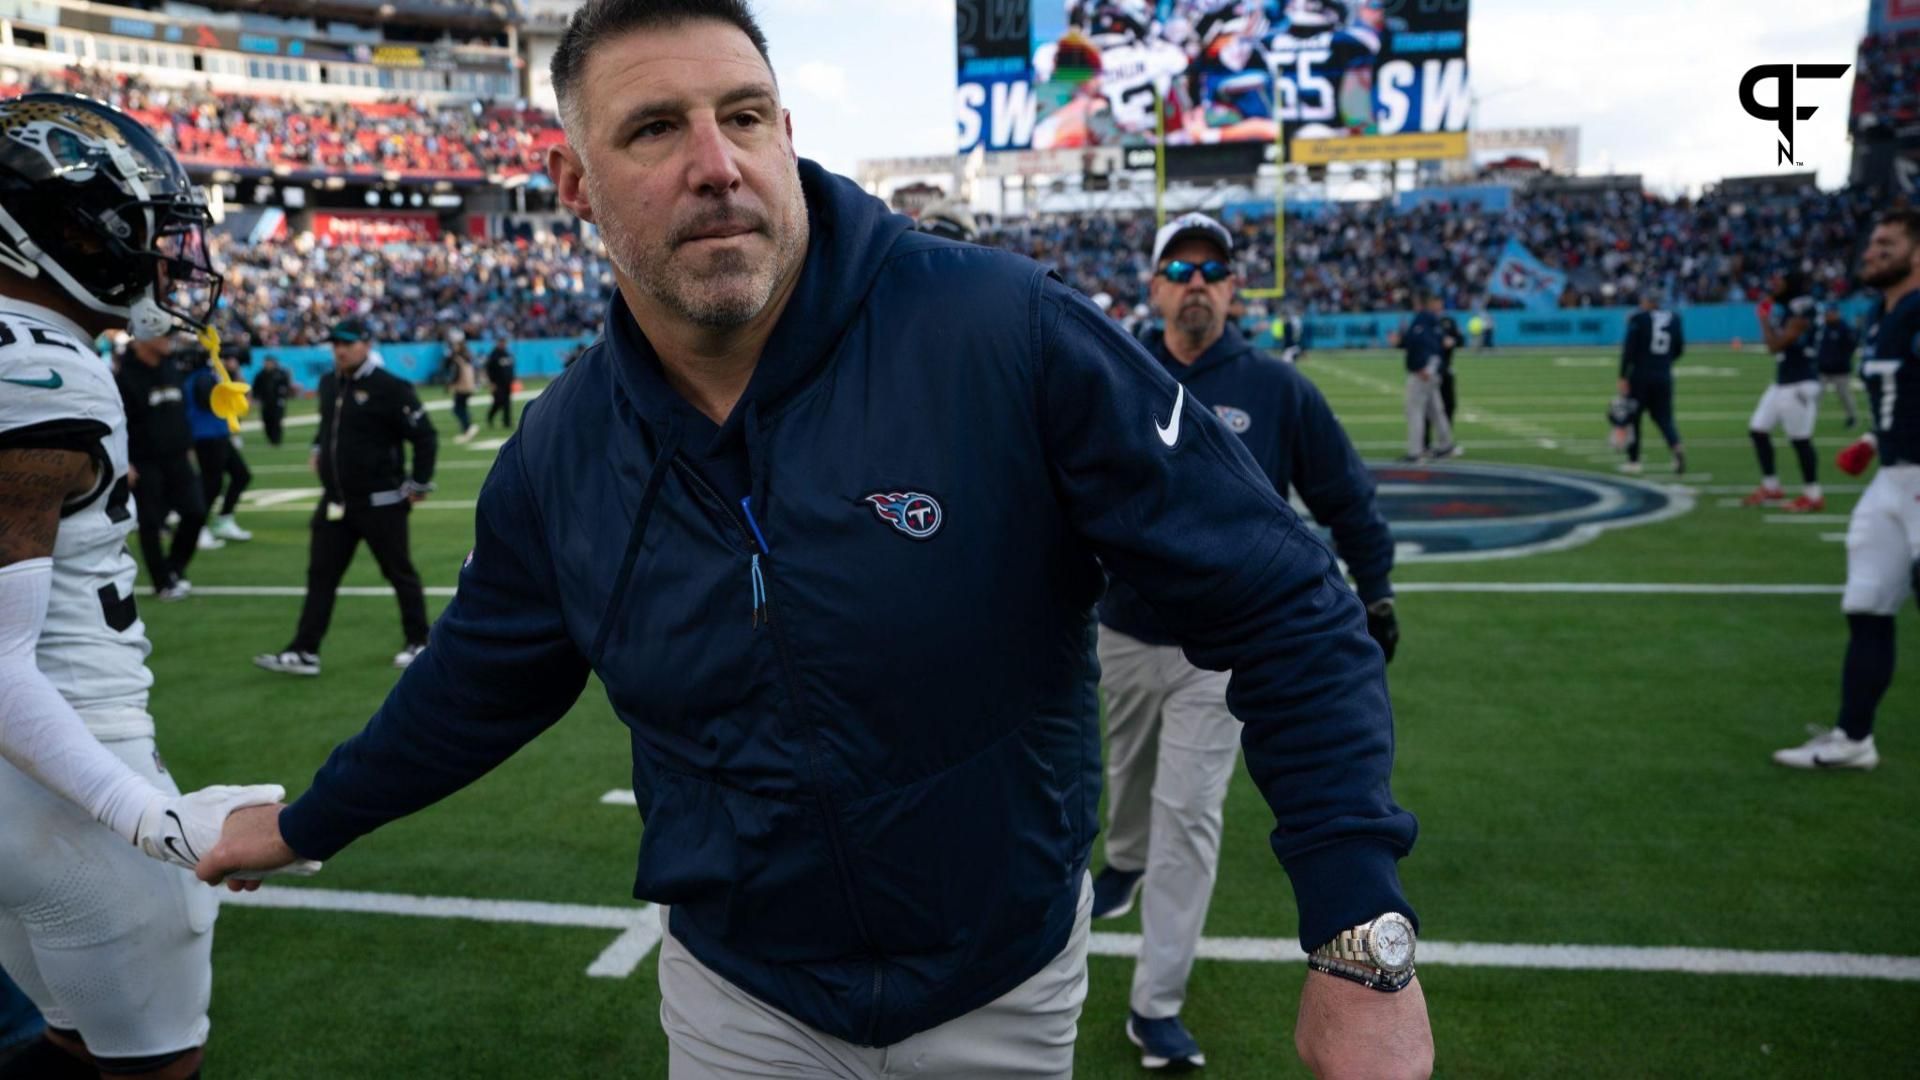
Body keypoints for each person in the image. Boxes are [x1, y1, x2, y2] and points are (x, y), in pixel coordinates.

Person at [199, 6, 1433, 1080]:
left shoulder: (1001, 332)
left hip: (999, 979)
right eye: (652, 129)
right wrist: (310, 823)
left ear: (788, 134)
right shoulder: (563, 453)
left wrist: (1359, 942)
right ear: (574, 188)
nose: (716, 164)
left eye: (745, 116)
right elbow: (479, 684)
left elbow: (1286, 603)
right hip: (742, 996)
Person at [0, 92, 310, 1080]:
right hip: (74, 777)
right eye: (141, 235)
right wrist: (149, 818)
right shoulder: (44, 370)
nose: (167, 260)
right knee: (149, 1071)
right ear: (61, 234)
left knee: (66, 1046)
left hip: (31, 786)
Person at [1093, 213, 1400, 1070]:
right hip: (1121, 628)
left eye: (1213, 268)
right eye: (1179, 266)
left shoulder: (1276, 388)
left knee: (1189, 818)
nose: (1196, 280)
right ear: (1154, 286)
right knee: (1128, 779)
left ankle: (1156, 1004)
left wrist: (1374, 590)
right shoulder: (1112, 374)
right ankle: (1120, 859)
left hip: (1222, 653)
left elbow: (1344, 493)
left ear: (1233, 288)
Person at [1776, 211, 1920, 770]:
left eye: (1887, 244)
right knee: (1866, 604)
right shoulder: (1882, 316)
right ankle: (1854, 738)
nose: (1871, 252)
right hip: (1893, 478)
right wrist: (1868, 438)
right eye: (1872, 242)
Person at [253, 318, 437, 677]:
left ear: (367, 344)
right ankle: (305, 650)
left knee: (399, 572)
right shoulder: (328, 383)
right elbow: (328, 426)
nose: (340, 349)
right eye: (336, 342)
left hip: (381, 501)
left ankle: (419, 641)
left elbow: (425, 436)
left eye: (348, 342)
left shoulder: (390, 387)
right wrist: (318, 446)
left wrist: (418, 484)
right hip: (336, 502)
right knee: (321, 575)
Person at [113, 334, 207, 597]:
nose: (169, 340)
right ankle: (162, 581)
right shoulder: (124, 377)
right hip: (145, 460)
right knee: (151, 521)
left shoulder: (171, 367)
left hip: (177, 456)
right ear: (143, 338)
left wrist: (188, 446)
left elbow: (179, 411)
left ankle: (174, 567)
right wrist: (125, 461)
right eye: (163, 335)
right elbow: (117, 423)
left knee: (196, 512)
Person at [1741, 270, 1824, 512]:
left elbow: (1776, 346)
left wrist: (1764, 320)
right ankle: (1771, 486)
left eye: (1779, 282)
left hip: (1800, 382)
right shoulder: (1792, 306)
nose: (1773, 286)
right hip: (1783, 381)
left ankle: (1813, 494)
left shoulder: (1802, 308)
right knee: (1758, 430)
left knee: (1800, 440)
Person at [186, 353, 253, 545]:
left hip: (217, 434)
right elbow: (209, 402)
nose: (232, 362)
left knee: (241, 475)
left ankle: (224, 519)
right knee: (211, 484)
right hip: (206, 436)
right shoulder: (203, 378)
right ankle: (197, 528)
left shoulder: (210, 377)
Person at [1617, 294, 1687, 475]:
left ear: (1648, 302)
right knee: (1664, 418)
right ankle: (1676, 447)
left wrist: (1623, 375)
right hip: (1663, 374)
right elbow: (1679, 348)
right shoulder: (1675, 318)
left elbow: (1629, 350)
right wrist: (1663, 362)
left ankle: (1634, 461)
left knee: (1633, 418)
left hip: (1640, 375)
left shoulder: (1638, 319)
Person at [1402, 295, 1457, 462]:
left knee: (1415, 411)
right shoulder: (1434, 321)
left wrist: (1425, 367)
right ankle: (1446, 444)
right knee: (1436, 410)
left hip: (1423, 373)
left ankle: (1416, 451)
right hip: (1433, 372)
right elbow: (1440, 344)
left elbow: (1427, 346)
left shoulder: (1422, 321)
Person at [1423, 303, 1462, 453]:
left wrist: (1453, 341)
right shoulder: (1427, 322)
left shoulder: (1448, 321)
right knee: (1428, 408)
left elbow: (1459, 339)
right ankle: (1425, 443)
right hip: (1431, 370)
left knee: (1449, 406)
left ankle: (1445, 441)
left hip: (1445, 369)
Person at [1813, 305, 1861, 430]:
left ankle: (1852, 418)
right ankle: (1808, 419)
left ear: (1836, 313)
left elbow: (1852, 346)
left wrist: (1841, 360)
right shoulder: (1822, 328)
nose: (1828, 315)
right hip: (1823, 369)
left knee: (1845, 395)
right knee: (1816, 396)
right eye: (1827, 313)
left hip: (1840, 370)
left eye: (1830, 313)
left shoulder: (1844, 328)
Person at [251, 354, 294, 446]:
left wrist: (283, 396)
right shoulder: (260, 374)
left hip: (277, 402)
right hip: (265, 402)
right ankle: (270, 439)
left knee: (277, 420)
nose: (268, 364)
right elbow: (256, 388)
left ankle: (276, 440)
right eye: (266, 362)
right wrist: (256, 398)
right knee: (266, 421)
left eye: (269, 362)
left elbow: (286, 386)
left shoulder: (281, 373)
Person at [445, 332, 480, 443]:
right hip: (469, 386)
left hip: (462, 387)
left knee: (457, 409)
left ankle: (468, 427)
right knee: (462, 407)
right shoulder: (467, 356)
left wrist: (450, 384)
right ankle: (467, 426)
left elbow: (456, 374)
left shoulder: (458, 359)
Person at [484, 336, 516, 429]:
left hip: (507, 383)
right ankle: (490, 416)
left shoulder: (507, 354)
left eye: (504, 342)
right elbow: (489, 370)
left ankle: (507, 422)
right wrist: (492, 383)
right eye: (501, 342)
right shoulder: (494, 355)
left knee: (507, 403)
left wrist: (512, 378)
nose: (503, 344)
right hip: (498, 383)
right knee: (498, 402)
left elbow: (510, 368)